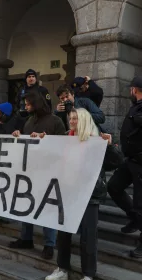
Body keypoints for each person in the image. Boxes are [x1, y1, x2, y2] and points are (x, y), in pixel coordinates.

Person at [45, 108, 122, 280]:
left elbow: (115, 162)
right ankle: (62, 269)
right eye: (70, 118)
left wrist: (109, 147)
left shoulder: (96, 140)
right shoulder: (66, 138)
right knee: (64, 234)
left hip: (89, 194)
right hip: (68, 192)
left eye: (76, 118)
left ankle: (88, 274)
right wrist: (39, 140)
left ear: (85, 120)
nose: (72, 121)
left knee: (88, 237)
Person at [10, 91, 66, 260]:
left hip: (49, 171)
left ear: (36, 104)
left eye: (28, 104)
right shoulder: (28, 122)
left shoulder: (55, 121)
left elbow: (63, 146)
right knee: (26, 203)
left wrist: (45, 141)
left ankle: (49, 244)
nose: (25, 107)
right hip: (31, 171)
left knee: (48, 207)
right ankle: (26, 238)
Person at [107, 76, 142, 258]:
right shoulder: (135, 106)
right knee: (113, 186)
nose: (130, 91)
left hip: (140, 162)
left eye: (131, 89)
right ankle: (135, 219)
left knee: (141, 203)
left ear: (134, 90)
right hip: (130, 160)